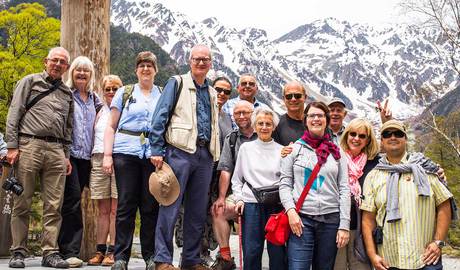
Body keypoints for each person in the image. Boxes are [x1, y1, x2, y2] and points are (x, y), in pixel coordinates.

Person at [149, 44, 220, 270]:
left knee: (197, 211)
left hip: (205, 156)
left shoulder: (212, 92)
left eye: (205, 60)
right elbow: (160, 116)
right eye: (197, 59)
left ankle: (191, 261)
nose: (201, 63)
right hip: (178, 151)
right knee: (169, 206)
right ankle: (162, 260)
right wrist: (157, 149)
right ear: (190, 61)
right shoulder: (177, 82)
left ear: (210, 63)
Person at [5, 47, 73, 268]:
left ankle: (50, 252)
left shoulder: (67, 93)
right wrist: (12, 146)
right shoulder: (30, 82)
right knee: (22, 201)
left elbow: (69, 127)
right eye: (55, 60)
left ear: (66, 67)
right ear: (46, 61)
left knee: (54, 204)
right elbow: (14, 112)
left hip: (56, 150)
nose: (58, 64)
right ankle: (18, 251)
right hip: (29, 144)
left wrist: (66, 155)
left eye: (63, 62)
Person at [361, 120, 453, 270]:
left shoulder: (426, 169)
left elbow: (444, 205)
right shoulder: (373, 176)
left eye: (398, 133)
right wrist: (372, 255)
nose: (393, 137)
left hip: (425, 259)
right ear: (382, 141)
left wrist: (438, 242)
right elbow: (368, 219)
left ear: (405, 139)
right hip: (389, 260)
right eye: (387, 134)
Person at [103, 52, 161, 270]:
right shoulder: (124, 92)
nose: (146, 69)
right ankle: (121, 257)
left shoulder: (162, 94)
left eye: (150, 65)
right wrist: (108, 155)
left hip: (152, 155)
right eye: (142, 65)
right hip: (125, 152)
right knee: (126, 204)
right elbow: (111, 125)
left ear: (156, 70)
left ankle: (150, 256)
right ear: (136, 70)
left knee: (150, 205)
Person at [279, 101, 350, 270]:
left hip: (331, 220)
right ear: (306, 120)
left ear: (326, 120)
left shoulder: (337, 153)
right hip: (302, 219)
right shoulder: (294, 150)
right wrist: (291, 211)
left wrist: (344, 225)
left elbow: (344, 188)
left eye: (320, 115)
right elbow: (284, 184)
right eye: (312, 115)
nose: (316, 119)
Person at [58, 55, 102, 268]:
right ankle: (69, 251)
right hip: (71, 156)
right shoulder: (66, 95)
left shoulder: (95, 99)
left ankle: (94, 249)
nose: (82, 74)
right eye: (78, 70)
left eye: (86, 70)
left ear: (91, 74)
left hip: (90, 158)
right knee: (73, 200)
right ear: (71, 72)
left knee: (90, 202)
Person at [231, 107, 287, 270]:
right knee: (251, 251)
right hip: (251, 204)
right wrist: (239, 199)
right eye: (260, 123)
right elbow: (237, 179)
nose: (264, 127)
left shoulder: (281, 150)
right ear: (254, 126)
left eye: (268, 124)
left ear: (274, 127)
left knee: (277, 252)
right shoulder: (245, 149)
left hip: (276, 206)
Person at [211, 100, 257, 270]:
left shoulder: (265, 133)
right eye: (238, 113)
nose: (242, 116)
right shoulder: (231, 139)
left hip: (264, 193)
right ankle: (225, 258)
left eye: (246, 112)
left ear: (254, 114)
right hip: (240, 191)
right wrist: (222, 197)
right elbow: (225, 169)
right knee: (218, 210)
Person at [333, 118, 379, 270]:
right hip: (337, 225)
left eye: (362, 136)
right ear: (346, 135)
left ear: (368, 140)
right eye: (353, 134)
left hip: (363, 228)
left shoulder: (375, 163)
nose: (356, 139)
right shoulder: (334, 158)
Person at [87, 75, 123, 266]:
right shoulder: (99, 111)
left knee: (116, 210)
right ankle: (100, 250)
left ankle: (113, 250)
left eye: (115, 88)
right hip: (98, 158)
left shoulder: (124, 110)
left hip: (118, 158)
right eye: (108, 88)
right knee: (102, 209)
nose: (111, 92)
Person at [273, 81, 307, 146]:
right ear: (283, 99)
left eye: (297, 96)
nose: (293, 99)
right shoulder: (277, 125)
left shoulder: (316, 122)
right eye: (289, 96)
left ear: (305, 97)